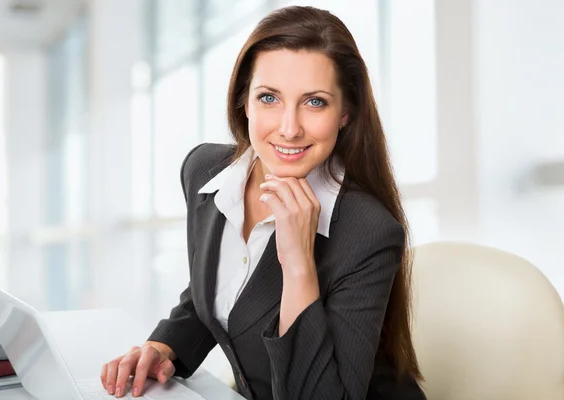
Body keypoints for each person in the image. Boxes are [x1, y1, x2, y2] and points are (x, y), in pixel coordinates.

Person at [101, 5, 426, 400]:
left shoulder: (368, 231)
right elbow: (219, 296)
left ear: (346, 112)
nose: (289, 129)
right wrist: (162, 348)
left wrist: (298, 264)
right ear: (244, 100)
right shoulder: (203, 172)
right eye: (269, 97)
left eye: (315, 102)